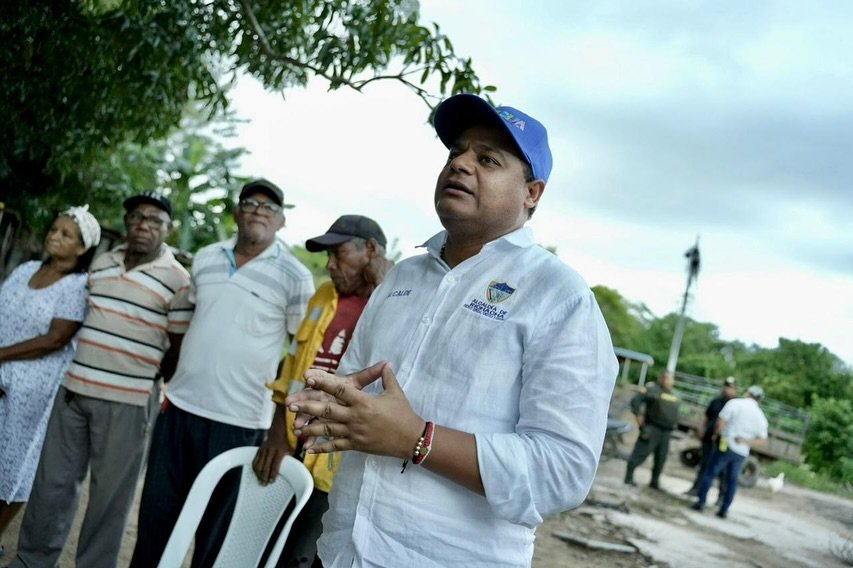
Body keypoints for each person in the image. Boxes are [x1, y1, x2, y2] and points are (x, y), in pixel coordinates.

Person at [285, 93, 618, 567]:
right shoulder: (403, 277)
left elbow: (562, 473)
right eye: (455, 152)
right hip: (342, 549)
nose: (460, 164)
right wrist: (329, 407)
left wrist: (417, 439)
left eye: (487, 159)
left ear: (532, 193)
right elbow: (354, 386)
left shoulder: (559, 297)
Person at [130, 179, 315, 568]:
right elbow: (194, 321)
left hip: (240, 421)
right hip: (179, 408)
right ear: (236, 213)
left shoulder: (296, 276)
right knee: (155, 523)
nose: (257, 210)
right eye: (249, 202)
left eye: (269, 207)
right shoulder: (206, 256)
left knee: (216, 536)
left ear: (281, 222)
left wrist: (281, 430)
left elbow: (301, 354)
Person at [9, 192, 192, 568]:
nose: (143, 224)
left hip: (128, 400)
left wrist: (149, 378)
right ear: (127, 223)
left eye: (154, 220)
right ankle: (31, 561)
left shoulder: (178, 281)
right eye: (137, 216)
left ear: (168, 229)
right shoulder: (103, 264)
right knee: (51, 488)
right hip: (74, 391)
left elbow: (177, 346)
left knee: (110, 499)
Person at [252, 215, 393, 568]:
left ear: (371, 251)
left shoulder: (398, 302)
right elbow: (294, 367)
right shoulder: (323, 295)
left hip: (339, 461)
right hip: (293, 443)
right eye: (327, 255)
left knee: (306, 555)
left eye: (339, 253)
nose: (329, 265)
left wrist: (385, 290)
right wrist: (276, 435)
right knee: (265, 546)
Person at [0, 206, 100, 555]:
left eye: (66, 234)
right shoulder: (27, 269)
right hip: (1, 367)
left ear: (82, 249)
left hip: (31, 388)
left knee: (13, 463)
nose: (54, 237)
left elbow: (54, 339)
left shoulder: (76, 286)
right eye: (54, 229)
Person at [692, 385, 768, 519]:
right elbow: (763, 440)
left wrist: (717, 435)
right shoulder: (760, 416)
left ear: (747, 393)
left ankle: (701, 502)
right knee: (732, 480)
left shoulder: (735, 403)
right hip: (741, 451)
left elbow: (721, 422)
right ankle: (724, 509)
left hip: (725, 444)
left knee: (711, 472)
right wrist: (746, 441)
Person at [623, 370, 680, 489]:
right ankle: (628, 478)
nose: (670, 381)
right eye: (668, 378)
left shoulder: (673, 394)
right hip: (652, 428)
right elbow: (635, 402)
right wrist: (639, 416)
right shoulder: (652, 389)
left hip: (666, 431)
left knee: (661, 458)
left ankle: (654, 482)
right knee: (640, 453)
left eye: (671, 379)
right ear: (662, 379)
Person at [686, 376, 738, 497]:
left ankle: (721, 496)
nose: (727, 389)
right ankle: (696, 489)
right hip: (709, 439)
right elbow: (707, 416)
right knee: (704, 464)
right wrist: (702, 429)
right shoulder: (716, 401)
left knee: (723, 470)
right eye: (726, 386)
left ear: (735, 389)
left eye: (730, 387)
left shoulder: (736, 405)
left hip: (724, 441)